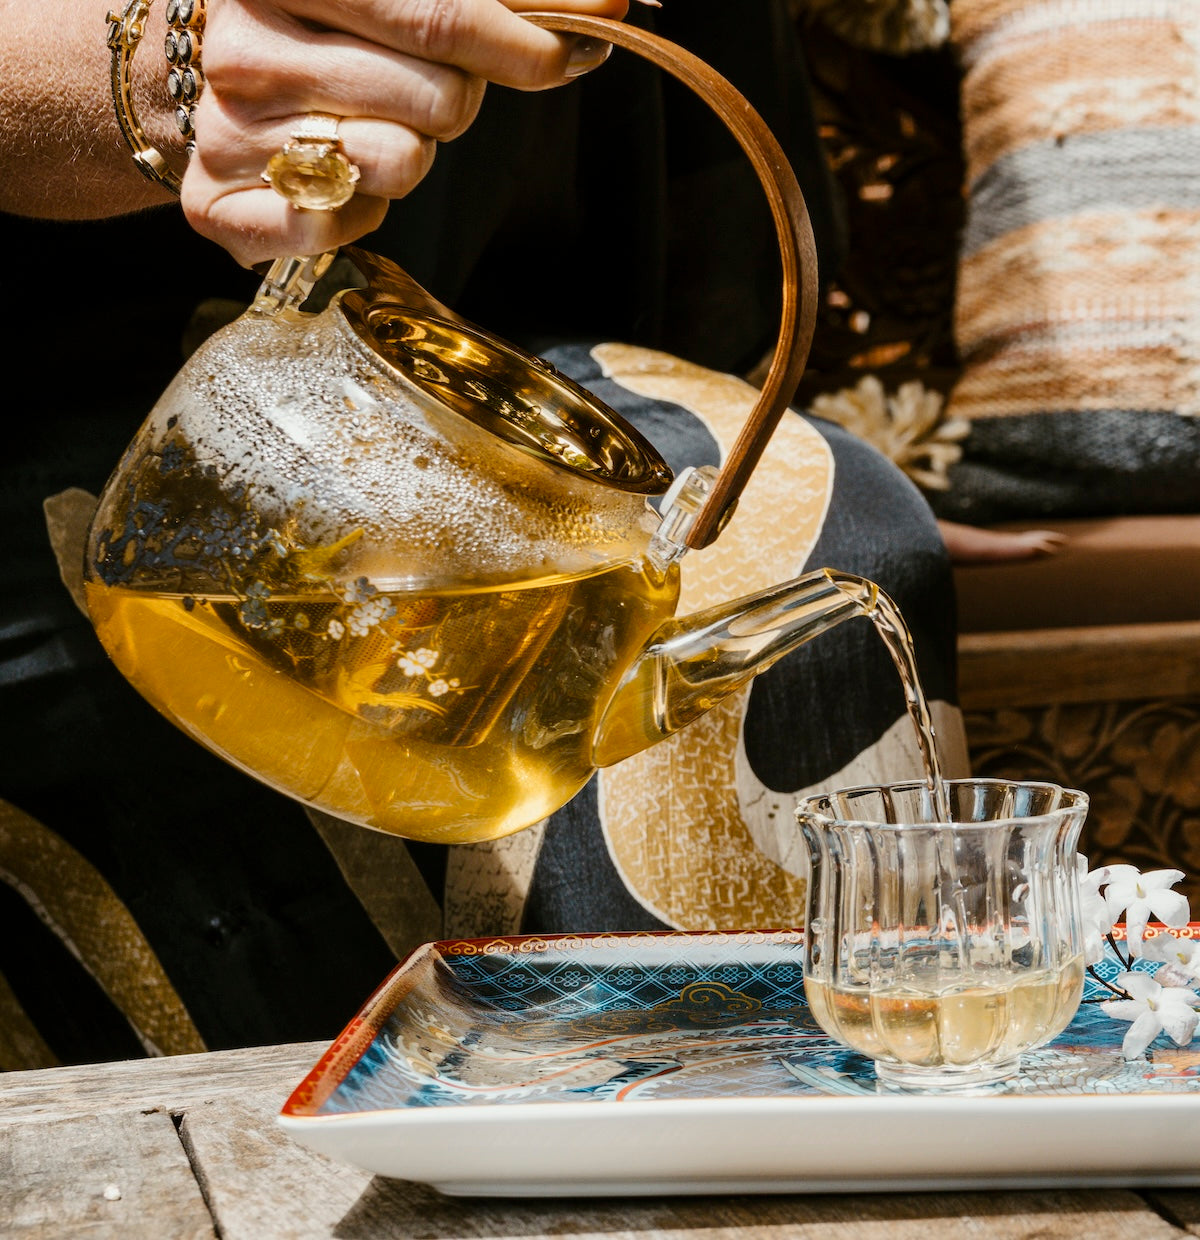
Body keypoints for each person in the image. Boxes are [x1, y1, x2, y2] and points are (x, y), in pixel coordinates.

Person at [0, 0, 968, 1069]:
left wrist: (783, 450)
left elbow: (701, 173)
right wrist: (150, 70)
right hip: (50, 368)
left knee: (840, 536)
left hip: (462, 327)